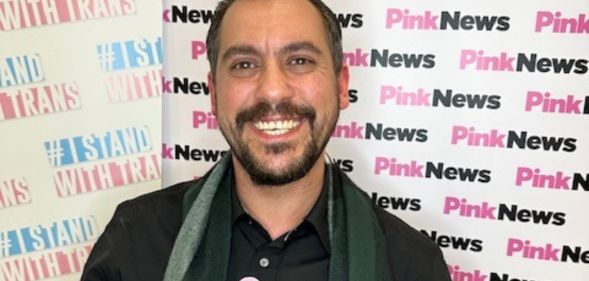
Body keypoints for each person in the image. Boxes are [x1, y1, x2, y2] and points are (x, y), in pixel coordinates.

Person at [81, 0, 452, 280]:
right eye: (244, 64)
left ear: (341, 86)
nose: (272, 90)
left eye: (300, 60)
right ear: (213, 94)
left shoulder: (412, 265)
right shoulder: (137, 237)